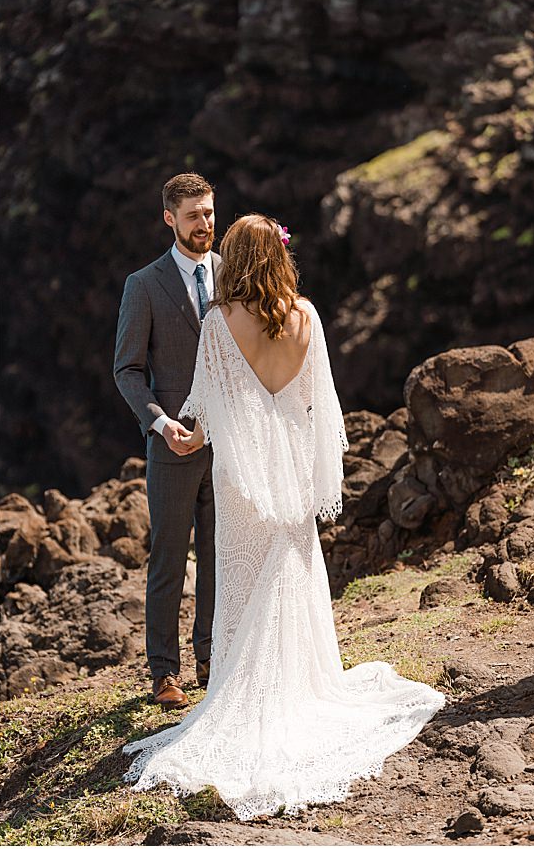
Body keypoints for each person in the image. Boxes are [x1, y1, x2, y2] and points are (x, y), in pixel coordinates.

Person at [122, 213, 446, 818]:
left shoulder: (220, 323)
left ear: (237, 260)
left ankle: (243, 690)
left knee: (242, 583)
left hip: (243, 474)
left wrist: (178, 435)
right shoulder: (307, 316)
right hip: (292, 465)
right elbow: (319, 404)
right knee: (291, 576)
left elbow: (205, 410)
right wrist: (307, 462)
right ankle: (299, 684)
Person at [113, 172, 222, 709]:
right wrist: (160, 423)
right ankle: (164, 673)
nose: (204, 224)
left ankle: (210, 657)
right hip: (172, 444)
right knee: (169, 560)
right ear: (169, 219)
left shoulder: (234, 276)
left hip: (228, 443)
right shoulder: (144, 284)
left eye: (209, 213)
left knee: (219, 553)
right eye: (194, 215)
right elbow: (127, 371)